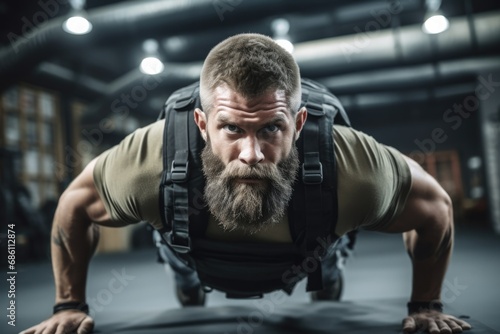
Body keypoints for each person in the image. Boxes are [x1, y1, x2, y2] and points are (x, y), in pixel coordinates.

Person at [22, 33, 472, 334]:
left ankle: (327, 274)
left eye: (271, 129)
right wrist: (69, 307)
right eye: (233, 129)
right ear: (201, 123)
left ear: (298, 122)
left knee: (328, 264)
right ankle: (185, 277)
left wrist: (425, 307)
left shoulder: (351, 163)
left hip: (309, 251)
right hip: (193, 252)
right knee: (180, 253)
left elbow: (434, 208)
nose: (251, 154)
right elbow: (74, 207)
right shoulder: (150, 161)